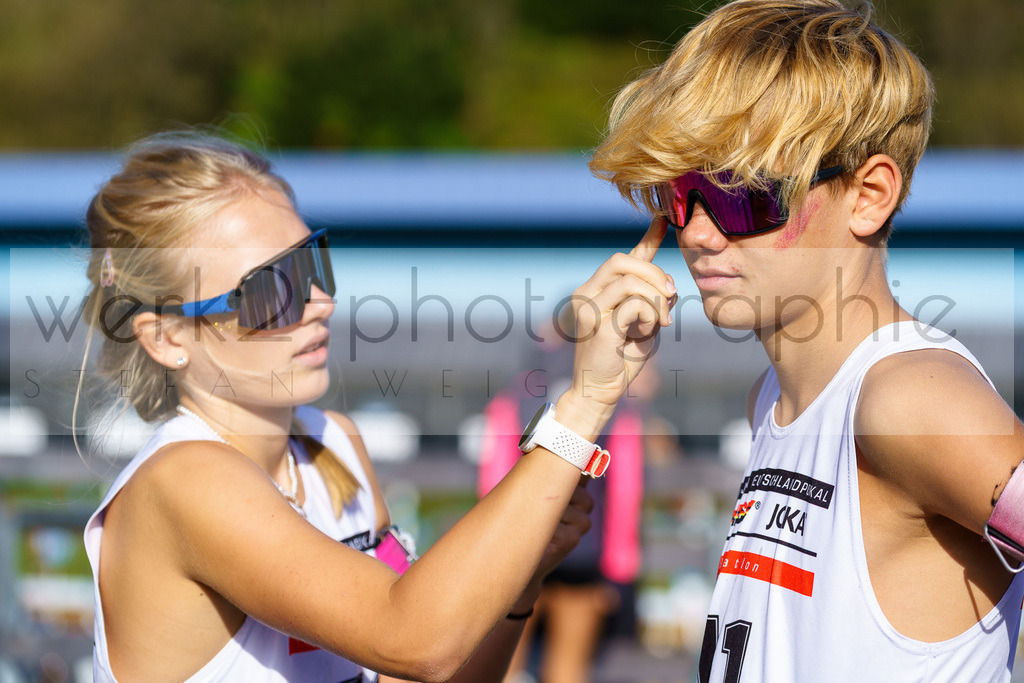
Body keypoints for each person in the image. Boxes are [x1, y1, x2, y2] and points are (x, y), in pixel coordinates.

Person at [78, 132, 676, 682]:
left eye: (311, 263)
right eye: (269, 289)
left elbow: (424, 672)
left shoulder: (333, 446)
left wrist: (522, 575)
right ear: (167, 338)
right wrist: (585, 402)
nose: (318, 302)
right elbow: (414, 639)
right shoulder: (184, 478)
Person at [588, 1, 1024, 680]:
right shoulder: (771, 398)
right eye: (681, 193)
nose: (697, 232)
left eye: (740, 192)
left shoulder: (907, 397)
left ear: (869, 194)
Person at [478, 315, 647, 683]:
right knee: (568, 671)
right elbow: (625, 492)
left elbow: (492, 481)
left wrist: (490, 557)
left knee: (503, 669)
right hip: (583, 552)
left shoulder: (513, 397)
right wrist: (618, 571)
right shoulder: (616, 403)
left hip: (518, 552)